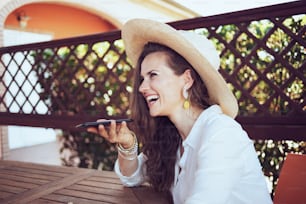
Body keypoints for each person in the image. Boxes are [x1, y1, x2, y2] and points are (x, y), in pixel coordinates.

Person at [88, 19, 272, 204]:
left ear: (187, 79)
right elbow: (132, 178)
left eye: (153, 75)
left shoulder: (221, 133)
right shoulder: (175, 136)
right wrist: (128, 146)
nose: (142, 87)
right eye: (143, 78)